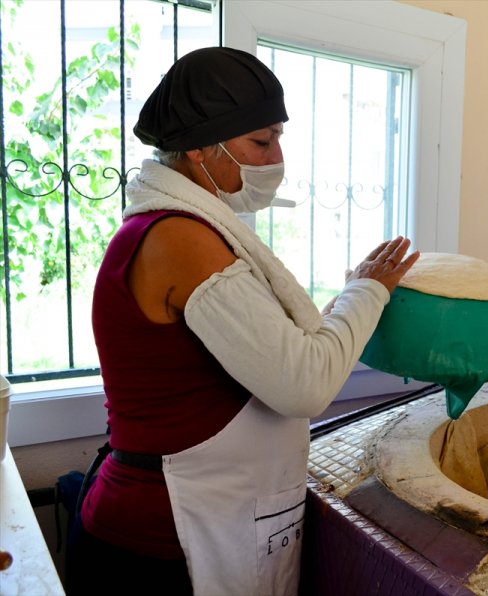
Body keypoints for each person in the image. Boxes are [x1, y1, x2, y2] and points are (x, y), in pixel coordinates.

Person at [66, 46, 418, 596]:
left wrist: (348, 300)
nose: (277, 156)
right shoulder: (178, 239)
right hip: (160, 544)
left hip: (194, 522)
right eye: (261, 141)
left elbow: (271, 350)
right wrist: (369, 291)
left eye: (278, 138)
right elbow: (303, 384)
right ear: (203, 147)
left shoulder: (182, 230)